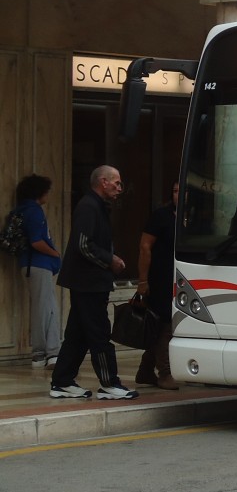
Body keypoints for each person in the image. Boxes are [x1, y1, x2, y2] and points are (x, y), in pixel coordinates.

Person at [49, 165, 138, 400]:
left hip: (88, 282)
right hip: (88, 283)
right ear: (103, 182)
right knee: (99, 333)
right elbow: (83, 245)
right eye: (116, 182)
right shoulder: (89, 207)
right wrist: (111, 261)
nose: (120, 187)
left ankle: (62, 381)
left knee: (77, 334)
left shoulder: (97, 207)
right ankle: (110, 384)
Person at [14, 174, 62, 370]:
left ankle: (44, 353)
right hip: (39, 263)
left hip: (29, 264)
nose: (48, 195)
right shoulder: (34, 211)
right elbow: (37, 241)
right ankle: (47, 353)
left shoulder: (22, 210)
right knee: (47, 308)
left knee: (44, 307)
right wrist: (56, 253)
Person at [135, 183, 179, 391]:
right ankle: (165, 372)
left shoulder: (194, 218)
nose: (180, 195)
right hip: (160, 279)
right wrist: (143, 280)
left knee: (162, 327)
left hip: (182, 279)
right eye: (176, 191)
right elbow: (145, 247)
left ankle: (145, 369)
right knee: (164, 326)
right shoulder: (161, 216)